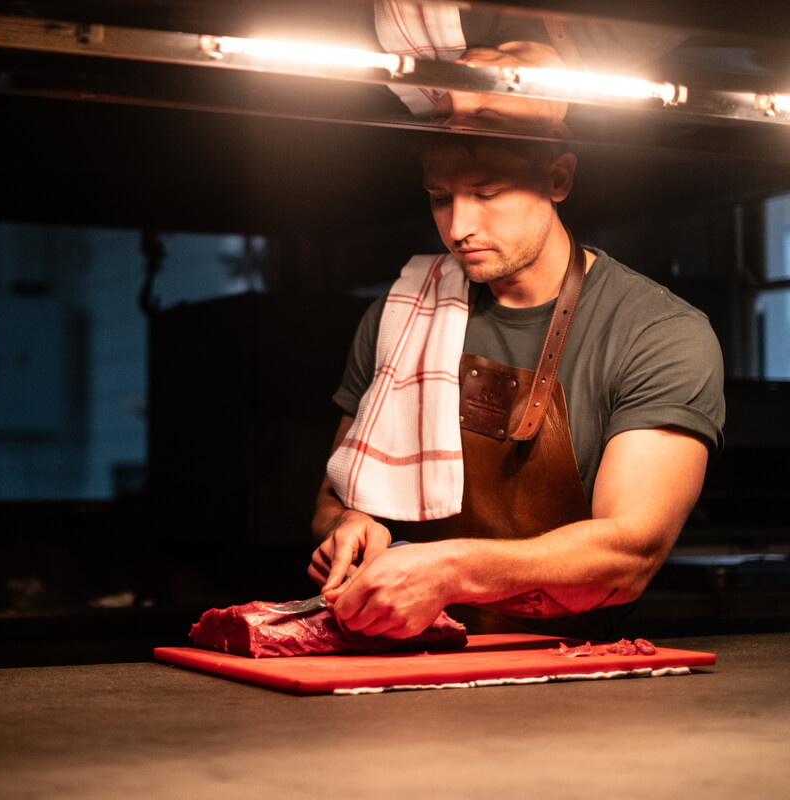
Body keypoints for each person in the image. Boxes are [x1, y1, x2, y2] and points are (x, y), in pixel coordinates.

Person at [307, 46, 726, 641]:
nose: (459, 226)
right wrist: (346, 524)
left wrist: (449, 569)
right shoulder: (399, 315)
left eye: (487, 191)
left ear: (558, 178)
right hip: (407, 659)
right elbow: (333, 491)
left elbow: (630, 551)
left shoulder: (656, 331)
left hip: (573, 675)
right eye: (439, 196)